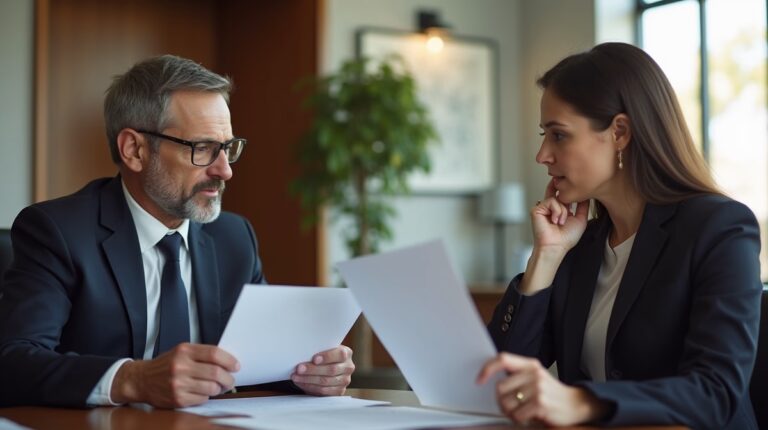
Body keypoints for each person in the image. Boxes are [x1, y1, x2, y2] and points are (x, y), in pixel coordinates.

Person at [0, 55, 354, 408]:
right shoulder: (58, 231)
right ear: (134, 150)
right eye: (202, 149)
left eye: (228, 149)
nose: (224, 171)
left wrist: (310, 373)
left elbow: (259, 361)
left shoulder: (234, 238)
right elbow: (12, 361)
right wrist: (134, 379)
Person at [476, 42, 762, 429]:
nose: (542, 155)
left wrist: (582, 402)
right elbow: (497, 377)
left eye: (558, 136)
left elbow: (715, 392)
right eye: (544, 136)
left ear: (620, 132)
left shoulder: (719, 228)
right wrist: (545, 257)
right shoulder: (580, 245)